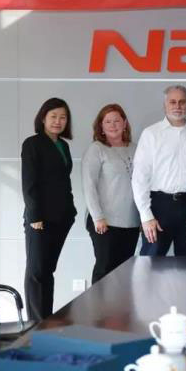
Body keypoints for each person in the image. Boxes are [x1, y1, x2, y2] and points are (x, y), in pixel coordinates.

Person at [131, 85, 186, 256]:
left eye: (182, 102)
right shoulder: (151, 134)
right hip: (158, 207)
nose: (177, 106)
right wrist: (146, 216)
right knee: (150, 262)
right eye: (172, 102)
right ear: (165, 105)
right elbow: (140, 177)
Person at [21, 97, 77, 321]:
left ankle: (47, 320)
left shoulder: (63, 145)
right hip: (40, 219)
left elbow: (64, 181)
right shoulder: (32, 144)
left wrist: (71, 212)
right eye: (53, 116)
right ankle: (35, 324)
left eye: (63, 117)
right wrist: (35, 216)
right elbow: (29, 183)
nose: (58, 121)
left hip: (61, 218)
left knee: (48, 271)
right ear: (43, 118)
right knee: (36, 272)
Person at [82, 104, 140, 284]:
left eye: (117, 121)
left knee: (125, 273)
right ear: (101, 126)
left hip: (131, 221)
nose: (113, 125)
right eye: (107, 121)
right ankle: (98, 304)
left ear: (125, 123)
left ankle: (121, 304)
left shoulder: (136, 148)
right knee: (105, 270)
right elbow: (89, 186)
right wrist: (98, 217)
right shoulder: (96, 149)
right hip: (105, 222)